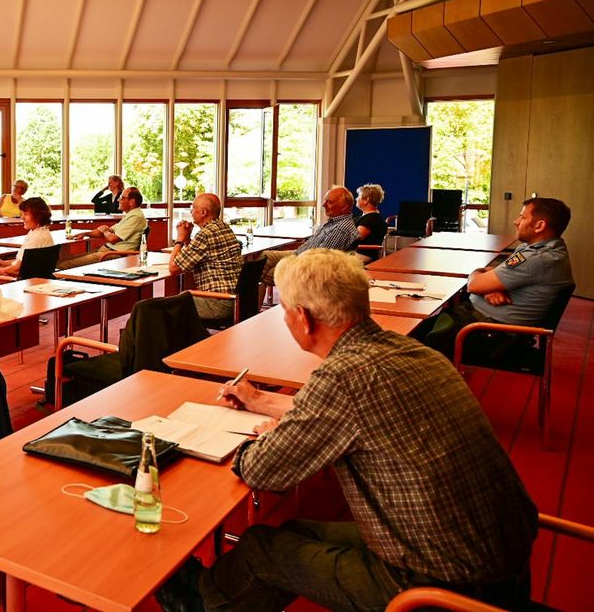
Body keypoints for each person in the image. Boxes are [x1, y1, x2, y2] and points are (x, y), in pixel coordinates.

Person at [157, 249, 538, 612]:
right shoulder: (411, 352)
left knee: (261, 553)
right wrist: (261, 401)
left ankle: (203, 603)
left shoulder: (343, 377)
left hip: (440, 579)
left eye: (285, 313)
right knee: (287, 532)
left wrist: (273, 436)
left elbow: (260, 472)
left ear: (304, 319)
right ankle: (211, 592)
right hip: (498, 554)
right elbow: (352, 413)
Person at [418, 197, 572, 358]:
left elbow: (474, 285)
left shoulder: (537, 259)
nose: (516, 221)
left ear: (539, 225)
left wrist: (477, 275)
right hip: (483, 322)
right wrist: (489, 288)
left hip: (489, 334)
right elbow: (496, 273)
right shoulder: (542, 249)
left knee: (411, 338)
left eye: (523, 217)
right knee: (423, 326)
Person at [260, 185, 358, 300]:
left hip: (307, 265)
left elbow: (320, 259)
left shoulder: (341, 229)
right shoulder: (334, 222)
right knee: (263, 257)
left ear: (343, 207)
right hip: (299, 254)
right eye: (325, 201)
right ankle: (250, 310)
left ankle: (249, 312)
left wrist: (293, 261)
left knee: (260, 272)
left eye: (329, 202)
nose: (323, 205)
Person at [168, 193, 242, 322]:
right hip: (236, 298)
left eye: (193, 208)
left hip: (217, 302)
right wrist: (187, 239)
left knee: (163, 307)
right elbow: (196, 255)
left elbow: (173, 268)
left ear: (203, 212)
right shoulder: (224, 227)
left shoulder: (205, 235)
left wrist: (179, 239)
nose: (191, 212)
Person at [58, 187, 148, 269]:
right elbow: (108, 231)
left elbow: (112, 238)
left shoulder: (136, 217)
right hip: (107, 251)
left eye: (122, 198)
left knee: (63, 264)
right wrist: (85, 233)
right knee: (65, 260)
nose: (119, 200)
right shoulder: (130, 215)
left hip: (114, 254)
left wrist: (105, 230)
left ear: (131, 202)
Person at [354, 183, 388, 260]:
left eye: (359, 196)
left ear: (367, 200)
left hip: (363, 255)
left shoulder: (372, 218)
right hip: (355, 252)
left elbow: (354, 239)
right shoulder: (366, 216)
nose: (356, 199)